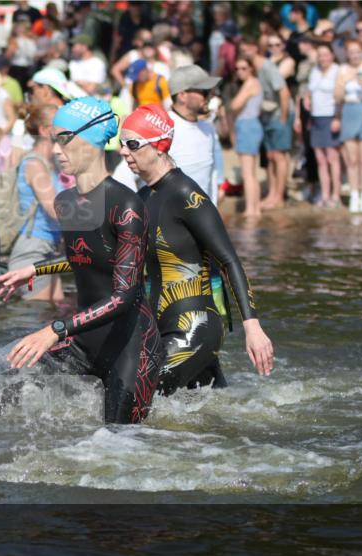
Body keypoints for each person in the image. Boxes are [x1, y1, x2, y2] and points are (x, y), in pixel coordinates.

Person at [0, 97, 161, 425]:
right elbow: (85, 257)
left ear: (94, 138)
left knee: (120, 448)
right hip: (85, 340)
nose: (57, 149)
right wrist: (35, 269)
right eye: (54, 139)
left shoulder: (126, 204)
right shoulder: (66, 201)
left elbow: (124, 294)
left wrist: (55, 329)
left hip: (131, 347)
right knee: (2, 379)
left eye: (65, 138)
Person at [119, 104, 274, 392]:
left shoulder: (185, 194)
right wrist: (37, 269)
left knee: (135, 397)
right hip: (159, 330)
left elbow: (229, 260)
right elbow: (112, 257)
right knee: (208, 420)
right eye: (121, 144)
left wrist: (252, 327)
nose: (123, 152)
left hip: (195, 330)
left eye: (132, 144)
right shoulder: (142, 197)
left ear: (159, 146)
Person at [6, 104, 64, 303]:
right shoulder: (34, 164)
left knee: (56, 311)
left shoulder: (52, 164)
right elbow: (54, 210)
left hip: (49, 249)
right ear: (45, 130)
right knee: (37, 320)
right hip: (32, 250)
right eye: (61, 125)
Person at [240, 38, 292, 210]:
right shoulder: (253, 69)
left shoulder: (267, 66)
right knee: (270, 157)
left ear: (256, 47)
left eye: (248, 46)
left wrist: (283, 118)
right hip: (267, 115)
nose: (245, 50)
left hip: (280, 113)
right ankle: (271, 194)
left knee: (279, 156)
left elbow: (283, 91)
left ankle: (279, 197)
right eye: (243, 48)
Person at [335, 40, 362, 213]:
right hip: (349, 111)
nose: (355, 55)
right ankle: (354, 194)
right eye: (351, 52)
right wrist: (343, 83)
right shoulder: (342, 70)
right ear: (347, 53)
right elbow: (337, 98)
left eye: (358, 51)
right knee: (351, 160)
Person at [167, 65, 222, 202]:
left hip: (201, 218)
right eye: (204, 92)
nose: (209, 97)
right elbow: (125, 176)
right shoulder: (161, 127)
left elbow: (212, 174)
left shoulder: (208, 129)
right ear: (182, 95)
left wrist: (212, 212)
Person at [302, 43, 341, 208]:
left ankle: (336, 195)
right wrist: (307, 101)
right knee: (320, 159)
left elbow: (340, 96)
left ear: (332, 55)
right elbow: (310, 93)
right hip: (316, 117)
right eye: (320, 55)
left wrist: (337, 117)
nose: (323, 58)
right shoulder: (315, 71)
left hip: (330, 115)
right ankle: (324, 194)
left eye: (326, 55)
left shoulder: (337, 71)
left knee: (332, 157)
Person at [230, 57, 264, 217]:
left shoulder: (250, 83)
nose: (240, 72)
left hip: (247, 126)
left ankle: (251, 209)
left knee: (247, 173)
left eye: (243, 68)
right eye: (237, 69)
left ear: (251, 68)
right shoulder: (252, 83)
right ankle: (255, 208)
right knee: (251, 172)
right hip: (250, 125)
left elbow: (234, 105)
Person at [7, 18, 39, 91]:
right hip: (17, 68)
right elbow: (9, 55)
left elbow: (33, 55)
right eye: (18, 28)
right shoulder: (13, 40)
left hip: (28, 68)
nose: (20, 30)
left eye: (22, 28)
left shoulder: (31, 41)